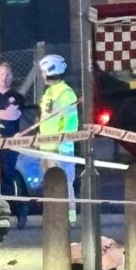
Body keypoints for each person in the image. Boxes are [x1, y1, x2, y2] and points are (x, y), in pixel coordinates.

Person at [0, 62, 30, 229]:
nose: (4, 78)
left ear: (12, 77)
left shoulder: (17, 98)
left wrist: (19, 134)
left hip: (10, 145)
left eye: (7, 75)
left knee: (9, 176)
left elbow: (23, 120)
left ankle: (18, 210)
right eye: (1, 74)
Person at [38, 54, 79, 224]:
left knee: (65, 184)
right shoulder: (49, 92)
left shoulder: (65, 93)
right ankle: (54, 216)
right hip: (47, 147)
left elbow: (70, 122)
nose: (41, 75)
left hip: (60, 149)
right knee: (50, 184)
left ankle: (69, 218)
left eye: (42, 71)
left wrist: (64, 146)